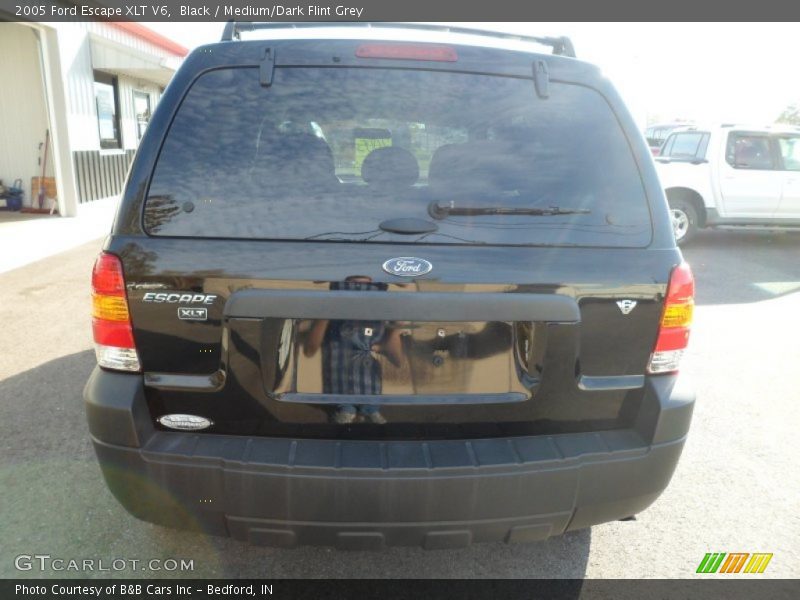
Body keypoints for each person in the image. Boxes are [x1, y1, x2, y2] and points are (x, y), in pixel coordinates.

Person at [304, 276, 404, 424]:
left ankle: (369, 409)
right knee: (339, 370)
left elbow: (403, 280)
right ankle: (347, 409)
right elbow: (309, 350)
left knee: (366, 381)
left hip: (366, 363)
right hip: (339, 358)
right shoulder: (336, 299)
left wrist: (394, 332)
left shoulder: (382, 302)